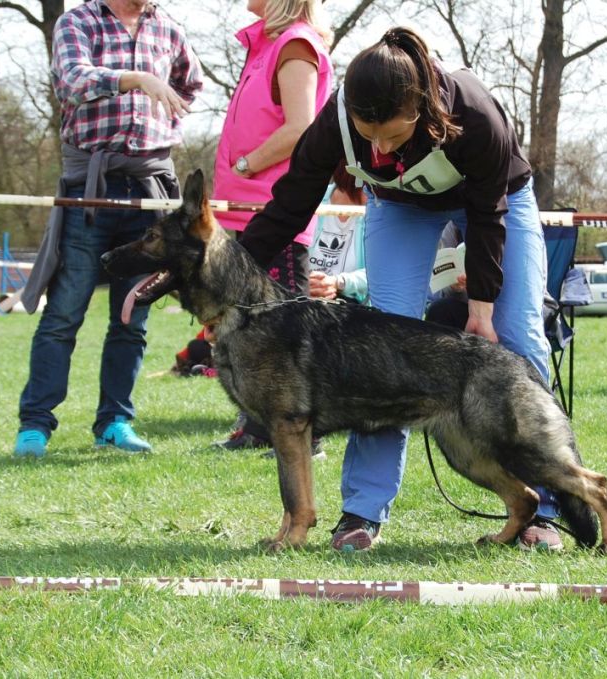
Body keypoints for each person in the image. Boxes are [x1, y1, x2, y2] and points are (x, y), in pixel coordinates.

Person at [238, 27, 561, 551]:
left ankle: (542, 507)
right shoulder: (336, 121)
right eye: (370, 136)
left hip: (497, 205)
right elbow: (289, 203)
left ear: (423, 110)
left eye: (393, 136)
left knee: (518, 335)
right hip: (400, 209)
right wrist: (233, 271)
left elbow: (486, 217)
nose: (381, 147)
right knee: (382, 353)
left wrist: (480, 310)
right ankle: (362, 512)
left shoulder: (474, 115)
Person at [12, 0, 203, 457]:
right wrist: (138, 80)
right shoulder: (78, 21)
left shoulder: (170, 29)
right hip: (90, 192)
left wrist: (165, 114)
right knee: (63, 315)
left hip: (150, 190)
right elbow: (72, 82)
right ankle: (35, 426)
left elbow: (190, 83)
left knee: (132, 319)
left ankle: (115, 422)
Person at [213, 0, 334, 452]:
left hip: (275, 209)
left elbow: (300, 127)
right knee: (248, 327)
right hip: (246, 211)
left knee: (284, 329)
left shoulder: (295, 44)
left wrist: (245, 164)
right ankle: (257, 427)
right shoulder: (265, 42)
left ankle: (309, 436)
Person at [307, 166, 368, 304]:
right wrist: (304, 282)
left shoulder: (381, 214)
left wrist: (338, 282)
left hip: (351, 307)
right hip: (300, 296)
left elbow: (384, 275)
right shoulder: (311, 199)